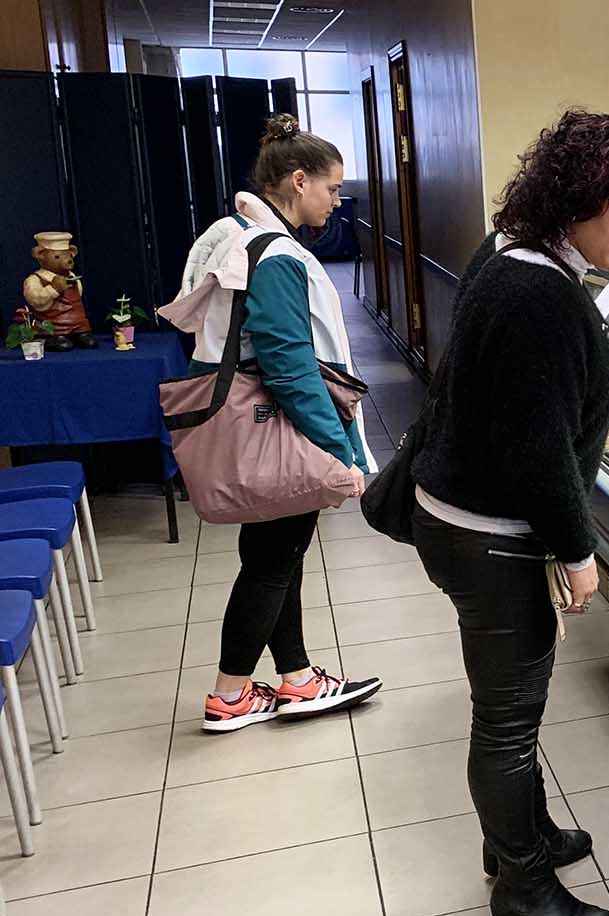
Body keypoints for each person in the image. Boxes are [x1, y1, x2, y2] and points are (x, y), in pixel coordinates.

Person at [411, 110, 609, 916]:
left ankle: (525, 834)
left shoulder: (512, 251)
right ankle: (521, 883)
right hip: (491, 535)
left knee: (511, 709)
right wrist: (576, 548)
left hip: (463, 518)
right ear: (579, 199)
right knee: (508, 720)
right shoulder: (539, 294)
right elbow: (537, 447)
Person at [163, 114, 382, 732]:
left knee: (275, 555)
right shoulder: (277, 255)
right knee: (273, 561)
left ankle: (298, 678)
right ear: (297, 181)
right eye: (332, 188)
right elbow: (287, 364)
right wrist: (339, 448)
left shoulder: (233, 234)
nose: (336, 201)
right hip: (275, 424)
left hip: (245, 420)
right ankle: (229, 694)